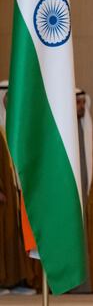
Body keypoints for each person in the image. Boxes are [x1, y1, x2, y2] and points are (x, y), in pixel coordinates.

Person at [0, 81, 35, 295]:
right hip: (3, 191)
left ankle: (18, 280)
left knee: (20, 234)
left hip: (20, 189)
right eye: (6, 96)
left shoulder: (19, 122)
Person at [72, 89, 93, 292]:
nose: (81, 107)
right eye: (77, 103)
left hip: (86, 195)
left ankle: (85, 285)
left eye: (83, 103)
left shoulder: (86, 127)